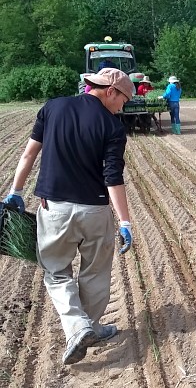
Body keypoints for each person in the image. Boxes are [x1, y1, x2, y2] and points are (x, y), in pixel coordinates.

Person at [2, 68, 135, 366]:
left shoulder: (53, 107)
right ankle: (89, 326)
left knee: (56, 271)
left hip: (55, 209)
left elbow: (29, 154)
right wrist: (124, 222)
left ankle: (79, 326)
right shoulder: (112, 128)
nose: (122, 107)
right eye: (124, 100)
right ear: (110, 91)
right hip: (95, 210)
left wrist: (17, 190)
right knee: (96, 273)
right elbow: (113, 177)